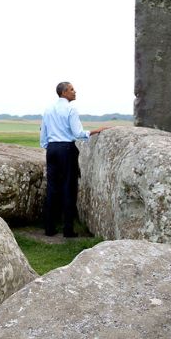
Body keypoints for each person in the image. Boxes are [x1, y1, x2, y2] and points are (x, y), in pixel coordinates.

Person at [40, 82, 107, 238]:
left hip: (52, 149)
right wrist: (96, 130)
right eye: (71, 89)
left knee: (52, 188)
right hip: (66, 149)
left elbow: (44, 133)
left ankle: (49, 228)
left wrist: (48, 146)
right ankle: (68, 229)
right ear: (64, 92)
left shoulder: (48, 109)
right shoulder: (71, 109)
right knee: (69, 188)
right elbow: (77, 132)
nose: (75, 91)